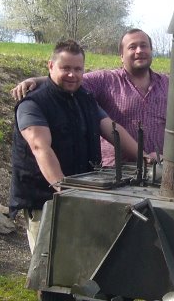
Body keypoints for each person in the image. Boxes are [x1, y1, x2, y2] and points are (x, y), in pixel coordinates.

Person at [11, 28, 174, 166]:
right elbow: (71, 77)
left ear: (151, 51)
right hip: (114, 171)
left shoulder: (169, 83)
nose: (138, 51)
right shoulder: (105, 80)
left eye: (143, 45)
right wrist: (37, 80)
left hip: (156, 168)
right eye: (132, 47)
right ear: (121, 55)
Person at [10, 40, 143, 251]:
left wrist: (143, 156)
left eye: (78, 69)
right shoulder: (33, 104)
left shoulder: (85, 98)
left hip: (83, 197)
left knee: (83, 259)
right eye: (65, 68)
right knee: (48, 264)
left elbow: (112, 129)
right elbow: (40, 148)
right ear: (51, 66)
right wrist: (65, 191)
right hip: (46, 201)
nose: (72, 74)